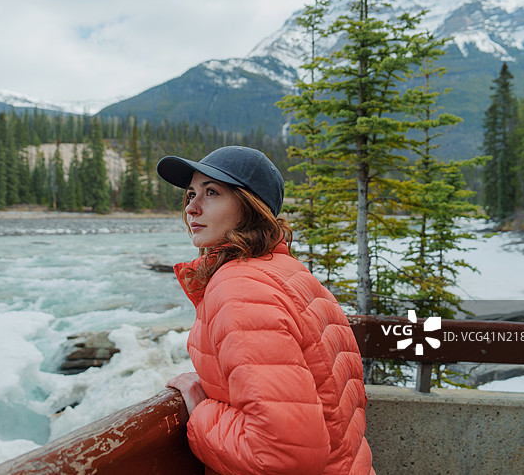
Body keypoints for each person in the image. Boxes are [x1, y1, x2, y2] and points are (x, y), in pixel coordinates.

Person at [157, 146, 374, 475]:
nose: (192, 207)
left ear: (249, 207)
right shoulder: (289, 272)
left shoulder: (239, 289)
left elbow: (283, 457)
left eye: (211, 192)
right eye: (190, 194)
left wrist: (201, 412)